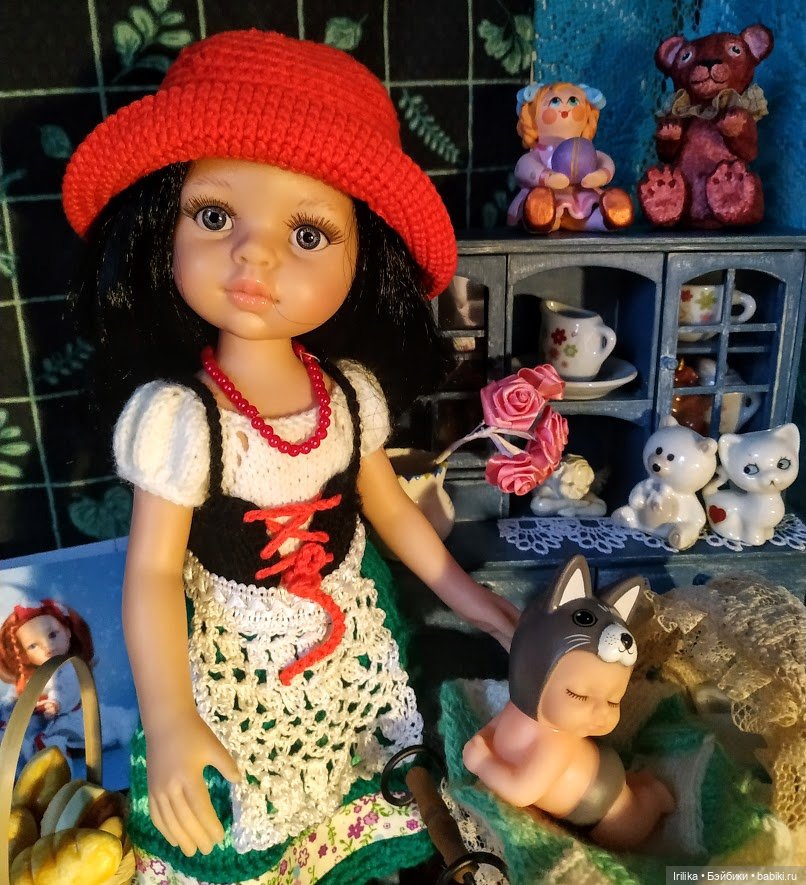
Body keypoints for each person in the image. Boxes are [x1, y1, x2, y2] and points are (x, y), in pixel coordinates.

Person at [63, 29, 521, 884]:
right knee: (242, 824)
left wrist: (476, 602)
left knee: (365, 795)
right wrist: (169, 718)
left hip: (349, 649)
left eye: (309, 233)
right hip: (231, 663)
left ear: (364, 257)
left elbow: (392, 512)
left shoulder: (347, 395)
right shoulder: (183, 417)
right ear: (165, 224)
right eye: (214, 216)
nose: (256, 253)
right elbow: (153, 572)